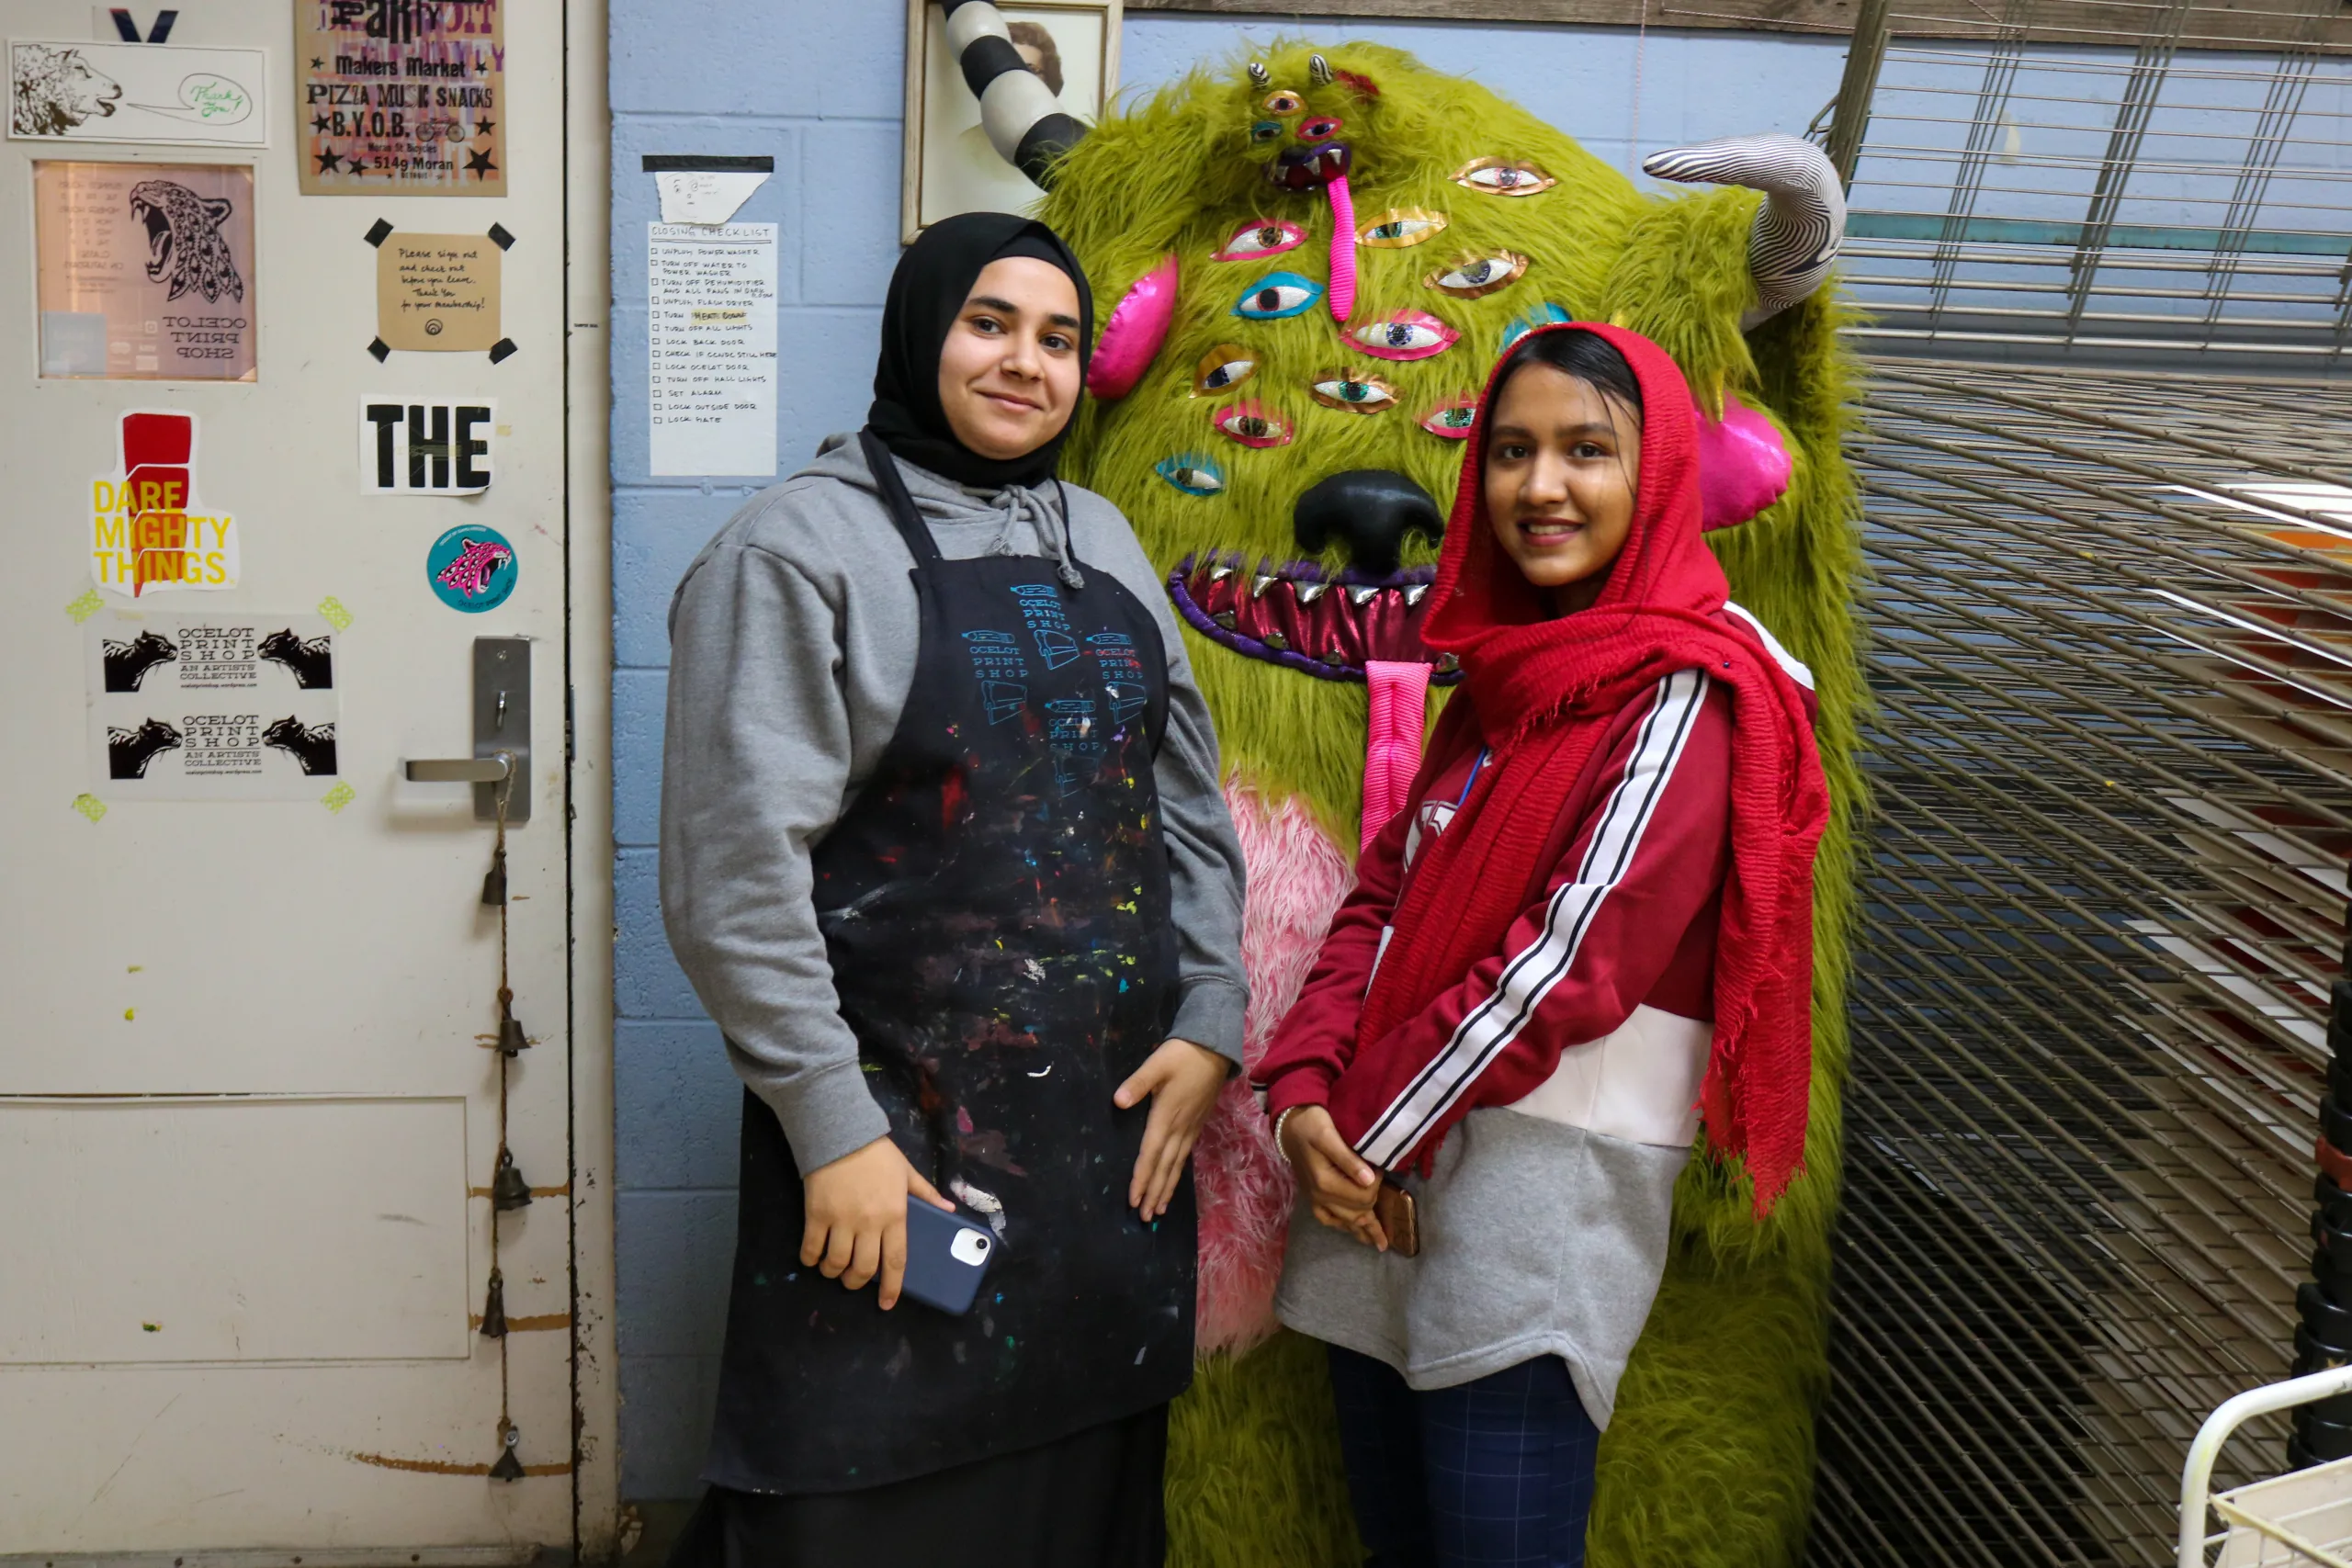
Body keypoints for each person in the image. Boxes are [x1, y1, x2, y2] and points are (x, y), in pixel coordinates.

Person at [660, 211, 1249, 1568]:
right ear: (924, 332)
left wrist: (1212, 1009)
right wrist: (833, 1129)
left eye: (1058, 338)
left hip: (1107, 1170)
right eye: (990, 323)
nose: (1023, 364)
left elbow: (1189, 806)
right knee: (861, 1508)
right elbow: (732, 875)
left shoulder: (1101, 539)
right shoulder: (795, 550)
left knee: (1079, 1506)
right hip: (896, 1153)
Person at [1252, 323, 1828, 1567]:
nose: (1540, 486)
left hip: (1525, 1219)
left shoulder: (1689, 692)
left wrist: (1360, 1130)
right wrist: (1301, 1096)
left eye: (1586, 450)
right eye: (1511, 451)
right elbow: (1383, 899)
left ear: (1659, 472)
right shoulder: (1503, 683)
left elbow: (1572, 960)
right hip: (1372, 1186)